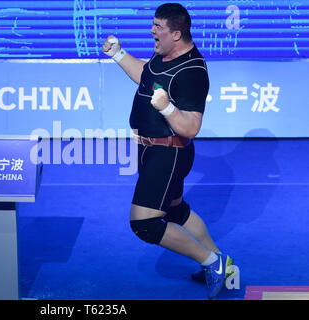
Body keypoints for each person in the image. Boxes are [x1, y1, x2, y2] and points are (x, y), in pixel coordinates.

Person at [102, 3, 233, 299]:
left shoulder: (193, 71)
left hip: (169, 153)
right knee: (175, 210)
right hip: (150, 150)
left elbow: (191, 126)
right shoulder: (163, 53)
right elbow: (146, 76)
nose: (152, 31)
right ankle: (219, 258)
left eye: (158, 27)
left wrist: (168, 108)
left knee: (145, 224)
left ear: (176, 33)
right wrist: (119, 55)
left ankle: (212, 262)